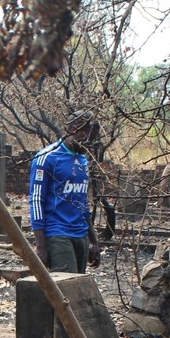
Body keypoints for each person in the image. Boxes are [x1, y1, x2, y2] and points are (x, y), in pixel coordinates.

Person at [28, 111, 101, 273]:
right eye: (87, 137)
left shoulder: (82, 159)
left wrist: (93, 240)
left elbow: (82, 203)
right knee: (66, 290)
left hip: (80, 234)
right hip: (57, 234)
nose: (89, 143)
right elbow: (36, 201)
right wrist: (41, 246)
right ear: (73, 129)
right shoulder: (47, 157)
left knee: (78, 287)